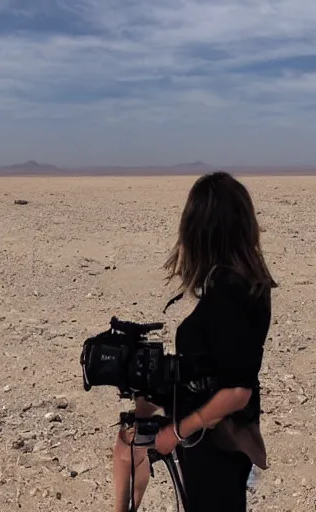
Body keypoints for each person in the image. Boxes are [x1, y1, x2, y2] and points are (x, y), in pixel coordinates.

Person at [112, 171, 276, 512]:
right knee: (129, 440)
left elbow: (236, 390)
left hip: (216, 443)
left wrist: (177, 432)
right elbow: (217, 362)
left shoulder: (232, 292)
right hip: (208, 428)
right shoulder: (241, 283)